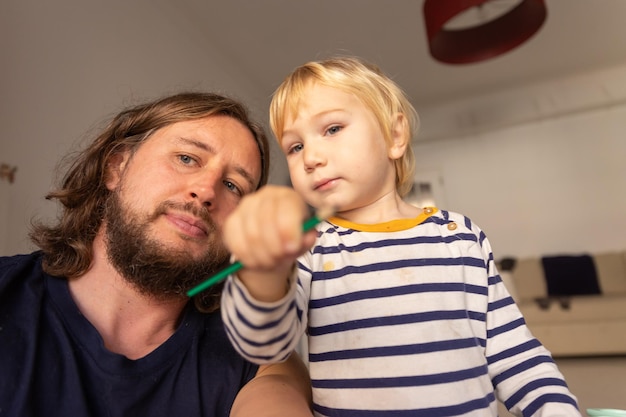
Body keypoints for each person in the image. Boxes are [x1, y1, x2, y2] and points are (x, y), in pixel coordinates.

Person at [218, 57, 582, 416]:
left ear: (394, 135)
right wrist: (263, 271)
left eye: (331, 129)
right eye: (295, 147)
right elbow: (264, 346)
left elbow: (516, 356)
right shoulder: (309, 249)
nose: (310, 157)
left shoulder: (461, 237)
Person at [0, 92, 313, 417]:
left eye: (233, 185)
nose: (207, 191)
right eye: (187, 158)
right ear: (116, 167)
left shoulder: (255, 362)